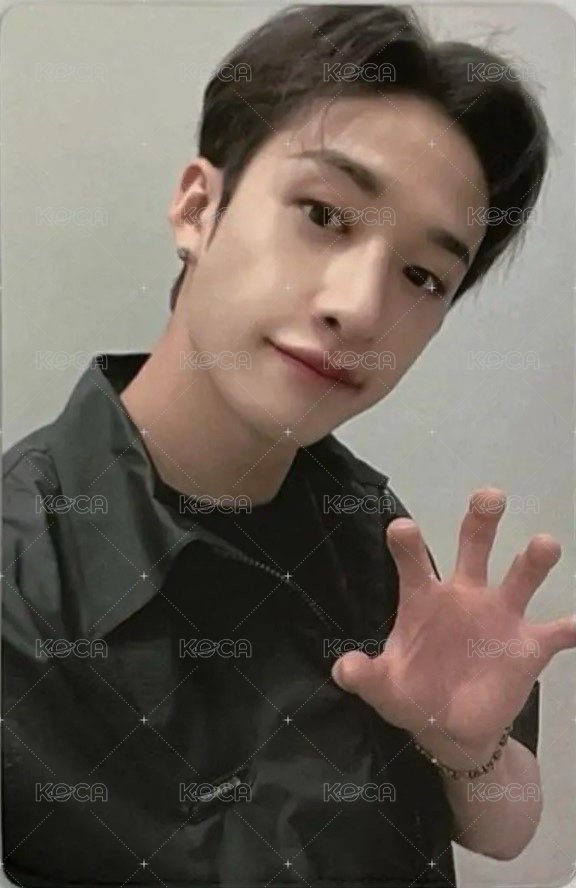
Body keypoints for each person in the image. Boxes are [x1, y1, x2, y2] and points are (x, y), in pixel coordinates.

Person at [3, 4, 574, 886]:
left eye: (423, 276)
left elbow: (505, 831)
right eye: (324, 214)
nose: (362, 308)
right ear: (198, 208)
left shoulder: (375, 533)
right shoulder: (22, 580)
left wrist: (469, 750)